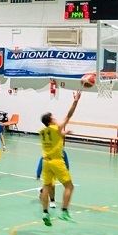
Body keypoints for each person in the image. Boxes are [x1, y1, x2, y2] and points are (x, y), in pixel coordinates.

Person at [39, 91, 81, 226]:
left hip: (46, 161)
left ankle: (45, 212)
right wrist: (75, 101)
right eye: (53, 117)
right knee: (69, 186)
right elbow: (69, 115)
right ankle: (64, 212)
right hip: (57, 161)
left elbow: (56, 136)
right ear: (50, 120)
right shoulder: (57, 127)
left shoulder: (43, 131)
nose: (56, 118)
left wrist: (64, 133)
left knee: (46, 187)